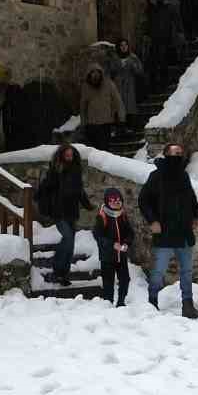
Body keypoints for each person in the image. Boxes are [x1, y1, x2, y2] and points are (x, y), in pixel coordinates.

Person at [139, 143, 198, 318]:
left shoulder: (183, 176)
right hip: (165, 232)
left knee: (187, 271)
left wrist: (196, 214)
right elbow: (143, 200)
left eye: (181, 152)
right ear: (167, 154)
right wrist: (152, 221)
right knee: (159, 270)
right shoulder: (156, 176)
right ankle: (152, 302)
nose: (179, 155)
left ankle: (188, 305)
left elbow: (191, 197)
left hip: (183, 231)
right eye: (175, 152)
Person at [34, 143, 93, 286]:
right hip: (59, 211)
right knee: (67, 238)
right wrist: (38, 196)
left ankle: (63, 275)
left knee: (70, 243)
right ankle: (56, 268)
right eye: (67, 155)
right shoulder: (56, 170)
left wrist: (87, 204)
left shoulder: (76, 170)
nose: (69, 157)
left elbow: (80, 191)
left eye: (71, 155)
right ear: (61, 155)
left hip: (72, 211)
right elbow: (45, 187)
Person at [91, 188, 134, 306]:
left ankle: (121, 301)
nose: (116, 202)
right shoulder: (102, 216)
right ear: (107, 202)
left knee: (125, 279)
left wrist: (126, 243)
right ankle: (108, 303)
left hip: (122, 255)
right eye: (112, 200)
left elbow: (130, 233)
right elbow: (97, 235)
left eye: (118, 200)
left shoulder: (122, 215)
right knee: (108, 282)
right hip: (107, 256)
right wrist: (112, 244)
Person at [79, 65, 124, 152]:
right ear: (89, 75)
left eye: (97, 73)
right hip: (92, 124)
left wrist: (121, 118)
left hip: (106, 123)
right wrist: (84, 123)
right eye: (93, 73)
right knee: (95, 149)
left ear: (100, 74)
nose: (95, 76)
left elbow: (118, 101)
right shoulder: (86, 87)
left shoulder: (109, 84)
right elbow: (83, 107)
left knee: (104, 148)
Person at [145, 0, 183, 76]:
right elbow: (147, 21)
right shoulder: (151, 6)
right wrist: (146, 34)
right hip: (154, 37)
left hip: (166, 37)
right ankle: (157, 82)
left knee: (163, 61)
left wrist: (179, 32)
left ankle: (163, 81)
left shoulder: (170, 6)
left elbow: (176, 20)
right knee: (154, 61)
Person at [107, 40, 146, 133]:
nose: (124, 47)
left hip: (130, 85)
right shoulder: (114, 58)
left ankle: (130, 126)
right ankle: (119, 127)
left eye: (125, 45)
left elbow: (140, 70)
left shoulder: (133, 57)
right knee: (118, 105)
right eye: (121, 45)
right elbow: (110, 71)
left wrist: (133, 65)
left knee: (130, 106)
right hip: (118, 84)